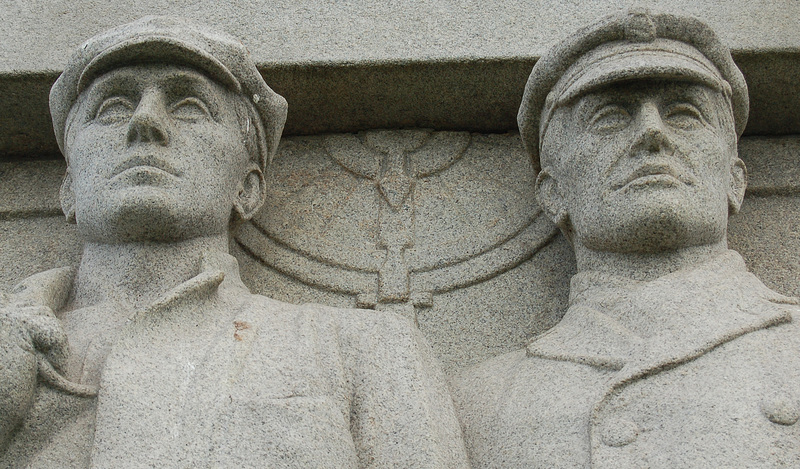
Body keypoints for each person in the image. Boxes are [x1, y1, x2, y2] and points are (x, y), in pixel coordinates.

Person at [0, 16, 468, 468]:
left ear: (248, 187)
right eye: (111, 107)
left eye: (190, 106)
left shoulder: (365, 350)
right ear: (68, 189)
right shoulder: (10, 344)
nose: (145, 123)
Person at [453, 10, 800, 468]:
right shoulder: (478, 401)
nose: (653, 133)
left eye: (685, 115)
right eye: (610, 118)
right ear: (554, 193)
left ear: (735, 181)